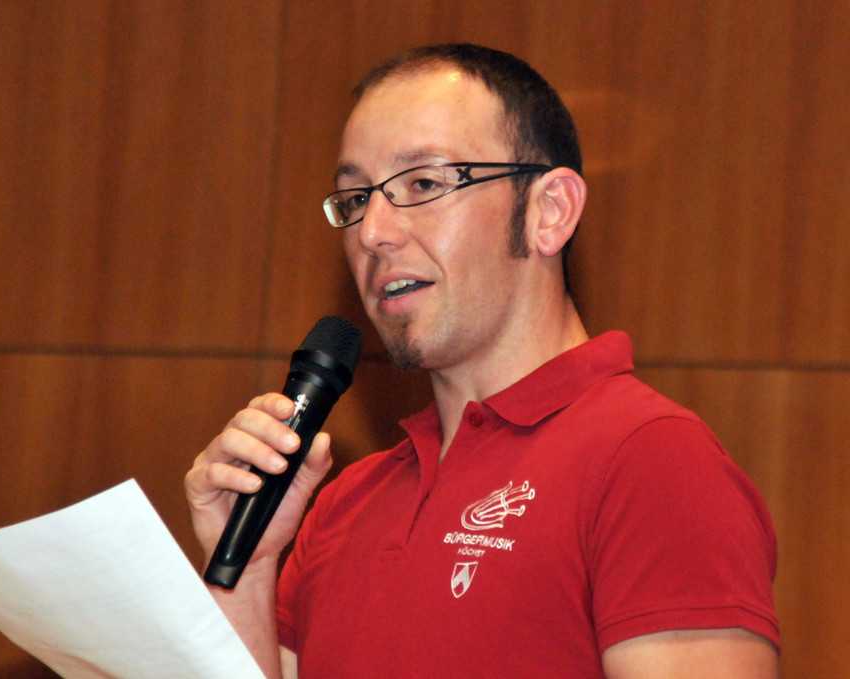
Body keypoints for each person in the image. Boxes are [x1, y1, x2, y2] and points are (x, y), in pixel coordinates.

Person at [185, 44, 779, 678]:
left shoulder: (651, 460)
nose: (372, 233)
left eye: (423, 184)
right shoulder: (344, 503)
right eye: (355, 199)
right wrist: (249, 569)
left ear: (549, 212)